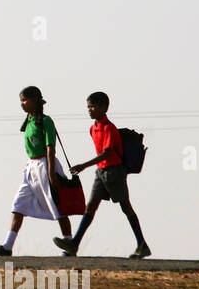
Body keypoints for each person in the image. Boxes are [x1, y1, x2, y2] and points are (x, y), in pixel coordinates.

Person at [54, 91, 152, 259]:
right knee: (91, 206)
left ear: (104, 108)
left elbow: (107, 153)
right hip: (101, 172)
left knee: (125, 206)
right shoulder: (93, 129)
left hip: (114, 171)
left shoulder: (108, 128)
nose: (89, 110)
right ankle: (74, 244)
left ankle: (142, 245)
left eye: (93, 106)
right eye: (88, 107)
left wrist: (83, 165)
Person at [0, 86, 73, 256]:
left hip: (45, 165)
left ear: (35, 101)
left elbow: (50, 148)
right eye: (21, 101)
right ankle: (7, 246)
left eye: (25, 100)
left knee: (57, 205)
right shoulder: (29, 121)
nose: (22, 104)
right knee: (18, 205)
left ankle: (69, 243)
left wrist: (52, 173)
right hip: (31, 167)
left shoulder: (45, 121)